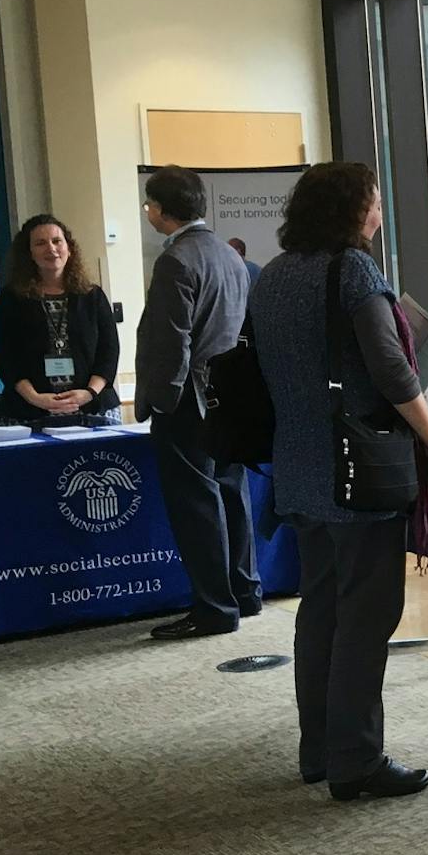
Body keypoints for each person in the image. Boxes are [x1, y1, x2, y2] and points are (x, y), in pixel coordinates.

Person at [247, 162, 428, 803]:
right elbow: (393, 373)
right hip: (356, 471)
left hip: (300, 468)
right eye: (374, 202)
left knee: (322, 611)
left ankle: (319, 749)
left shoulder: (275, 273)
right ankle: (356, 762)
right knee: (366, 617)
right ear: (351, 209)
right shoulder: (354, 271)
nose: (380, 214)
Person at [135, 166, 259, 640]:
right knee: (231, 492)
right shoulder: (230, 256)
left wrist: (160, 403)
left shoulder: (176, 260)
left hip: (188, 401)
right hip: (229, 396)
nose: (147, 212)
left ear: (161, 210)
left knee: (196, 504)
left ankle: (213, 608)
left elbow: (171, 342)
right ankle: (245, 592)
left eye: (149, 205)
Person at [0, 214, 121, 426]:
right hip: (29, 412)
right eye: (40, 243)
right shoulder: (11, 298)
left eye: (57, 241)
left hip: (92, 408)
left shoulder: (92, 296)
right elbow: (5, 357)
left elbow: (109, 352)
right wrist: (35, 398)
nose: (51, 249)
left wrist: (88, 393)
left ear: (69, 248)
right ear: (28, 253)